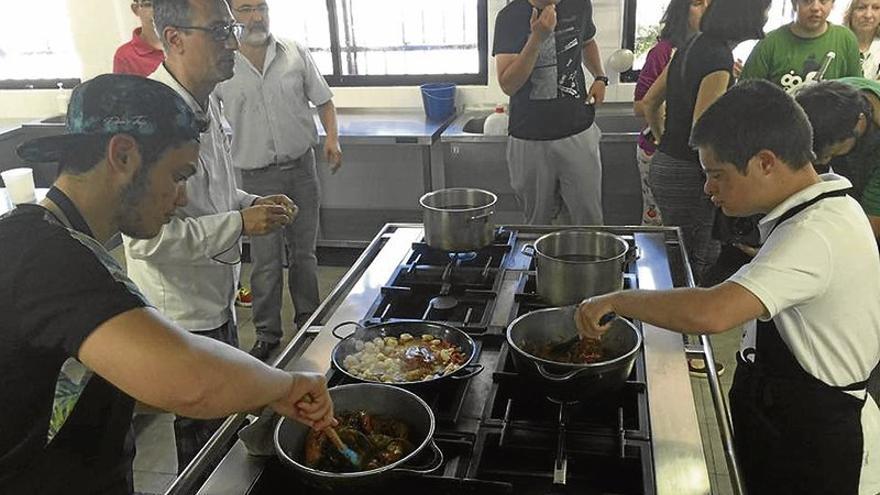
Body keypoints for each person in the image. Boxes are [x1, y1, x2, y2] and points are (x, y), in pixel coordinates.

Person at [0, 74, 335, 495]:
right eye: (178, 176)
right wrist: (284, 384)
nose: (180, 197)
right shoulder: (47, 259)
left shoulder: (60, 241)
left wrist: (260, 393)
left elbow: (121, 382)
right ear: (123, 155)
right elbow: (189, 380)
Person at [576, 80, 880, 495]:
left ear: (765, 162)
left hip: (816, 444)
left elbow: (711, 312)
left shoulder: (815, 233)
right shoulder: (822, 206)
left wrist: (615, 300)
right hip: (786, 418)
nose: (708, 188)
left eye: (717, 174)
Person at [123, 0, 299, 472]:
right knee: (203, 446)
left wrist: (248, 203)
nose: (233, 43)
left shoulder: (207, 98)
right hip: (182, 312)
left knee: (225, 425)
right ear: (174, 37)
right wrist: (240, 224)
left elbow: (215, 189)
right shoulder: (152, 122)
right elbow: (149, 241)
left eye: (233, 29)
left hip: (214, 296)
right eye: (220, 31)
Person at [216, 0, 342, 360]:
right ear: (231, 16)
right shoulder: (222, 63)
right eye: (245, 9)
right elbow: (207, 119)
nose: (255, 16)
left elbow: (324, 100)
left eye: (260, 7)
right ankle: (268, 334)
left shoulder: (294, 52)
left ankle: (309, 321)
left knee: (304, 254)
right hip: (255, 179)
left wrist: (332, 139)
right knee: (266, 262)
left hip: (301, 170)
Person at [641, 0, 769, 285]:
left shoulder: (690, 45)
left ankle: (676, 316)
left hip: (665, 165)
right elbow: (703, 128)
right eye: (764, 10)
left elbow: (650, 102)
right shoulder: (719, 57)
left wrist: (664, 139)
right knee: (695, 259)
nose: (766, 16)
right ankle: (686, 323)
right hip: (689, 174)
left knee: (680, 252)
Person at [493, 0, 608, 226]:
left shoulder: (580, 4)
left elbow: (587, 41)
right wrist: (537, 38)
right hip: (529, 137)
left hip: (578, 131)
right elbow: (508, 84)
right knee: (536, 225)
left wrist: (600, 76)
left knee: (589, 222)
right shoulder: (510, 16)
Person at [634, 0, 710, 226]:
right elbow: (641, 105)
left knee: (692, 224)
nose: (706, 8)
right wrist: (661, 136)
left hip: (694, 154)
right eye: (697, 3)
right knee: (657, 220)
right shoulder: (663, 52)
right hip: (659, 148)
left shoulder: (714, 52)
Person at [796, 78, 880, 236]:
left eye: (829, 154)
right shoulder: (829, 96)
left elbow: (868, 231)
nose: (824, 161)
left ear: (859, 125)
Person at [741, 0, 862, 92]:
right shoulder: (769, 43)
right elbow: (744, 95)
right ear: (794, 4)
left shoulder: (846, 39)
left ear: (832, 4)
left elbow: (857, 92)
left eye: (823, 1)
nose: (815, 7)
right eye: (807, 0)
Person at [113, 0, 165, 76]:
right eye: (149, 5)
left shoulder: (183, 43)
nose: (158, 11)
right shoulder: (125, 57)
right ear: (135, 9)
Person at [845, 0, 880, 78]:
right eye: (861, 8)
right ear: (850, 12)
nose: (868, 15)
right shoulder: (839, 42)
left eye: (876, 8)